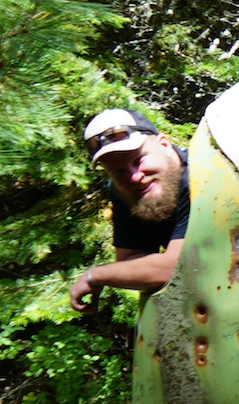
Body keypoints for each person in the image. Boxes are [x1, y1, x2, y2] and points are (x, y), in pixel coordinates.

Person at [69, 109, 188, 315]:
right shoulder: (124, 190)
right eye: (118, 171)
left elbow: (177, 267)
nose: (134, 177)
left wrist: (96, 275)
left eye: (138, 160)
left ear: (164, 145)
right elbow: (130, 260)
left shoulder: (203, 179)